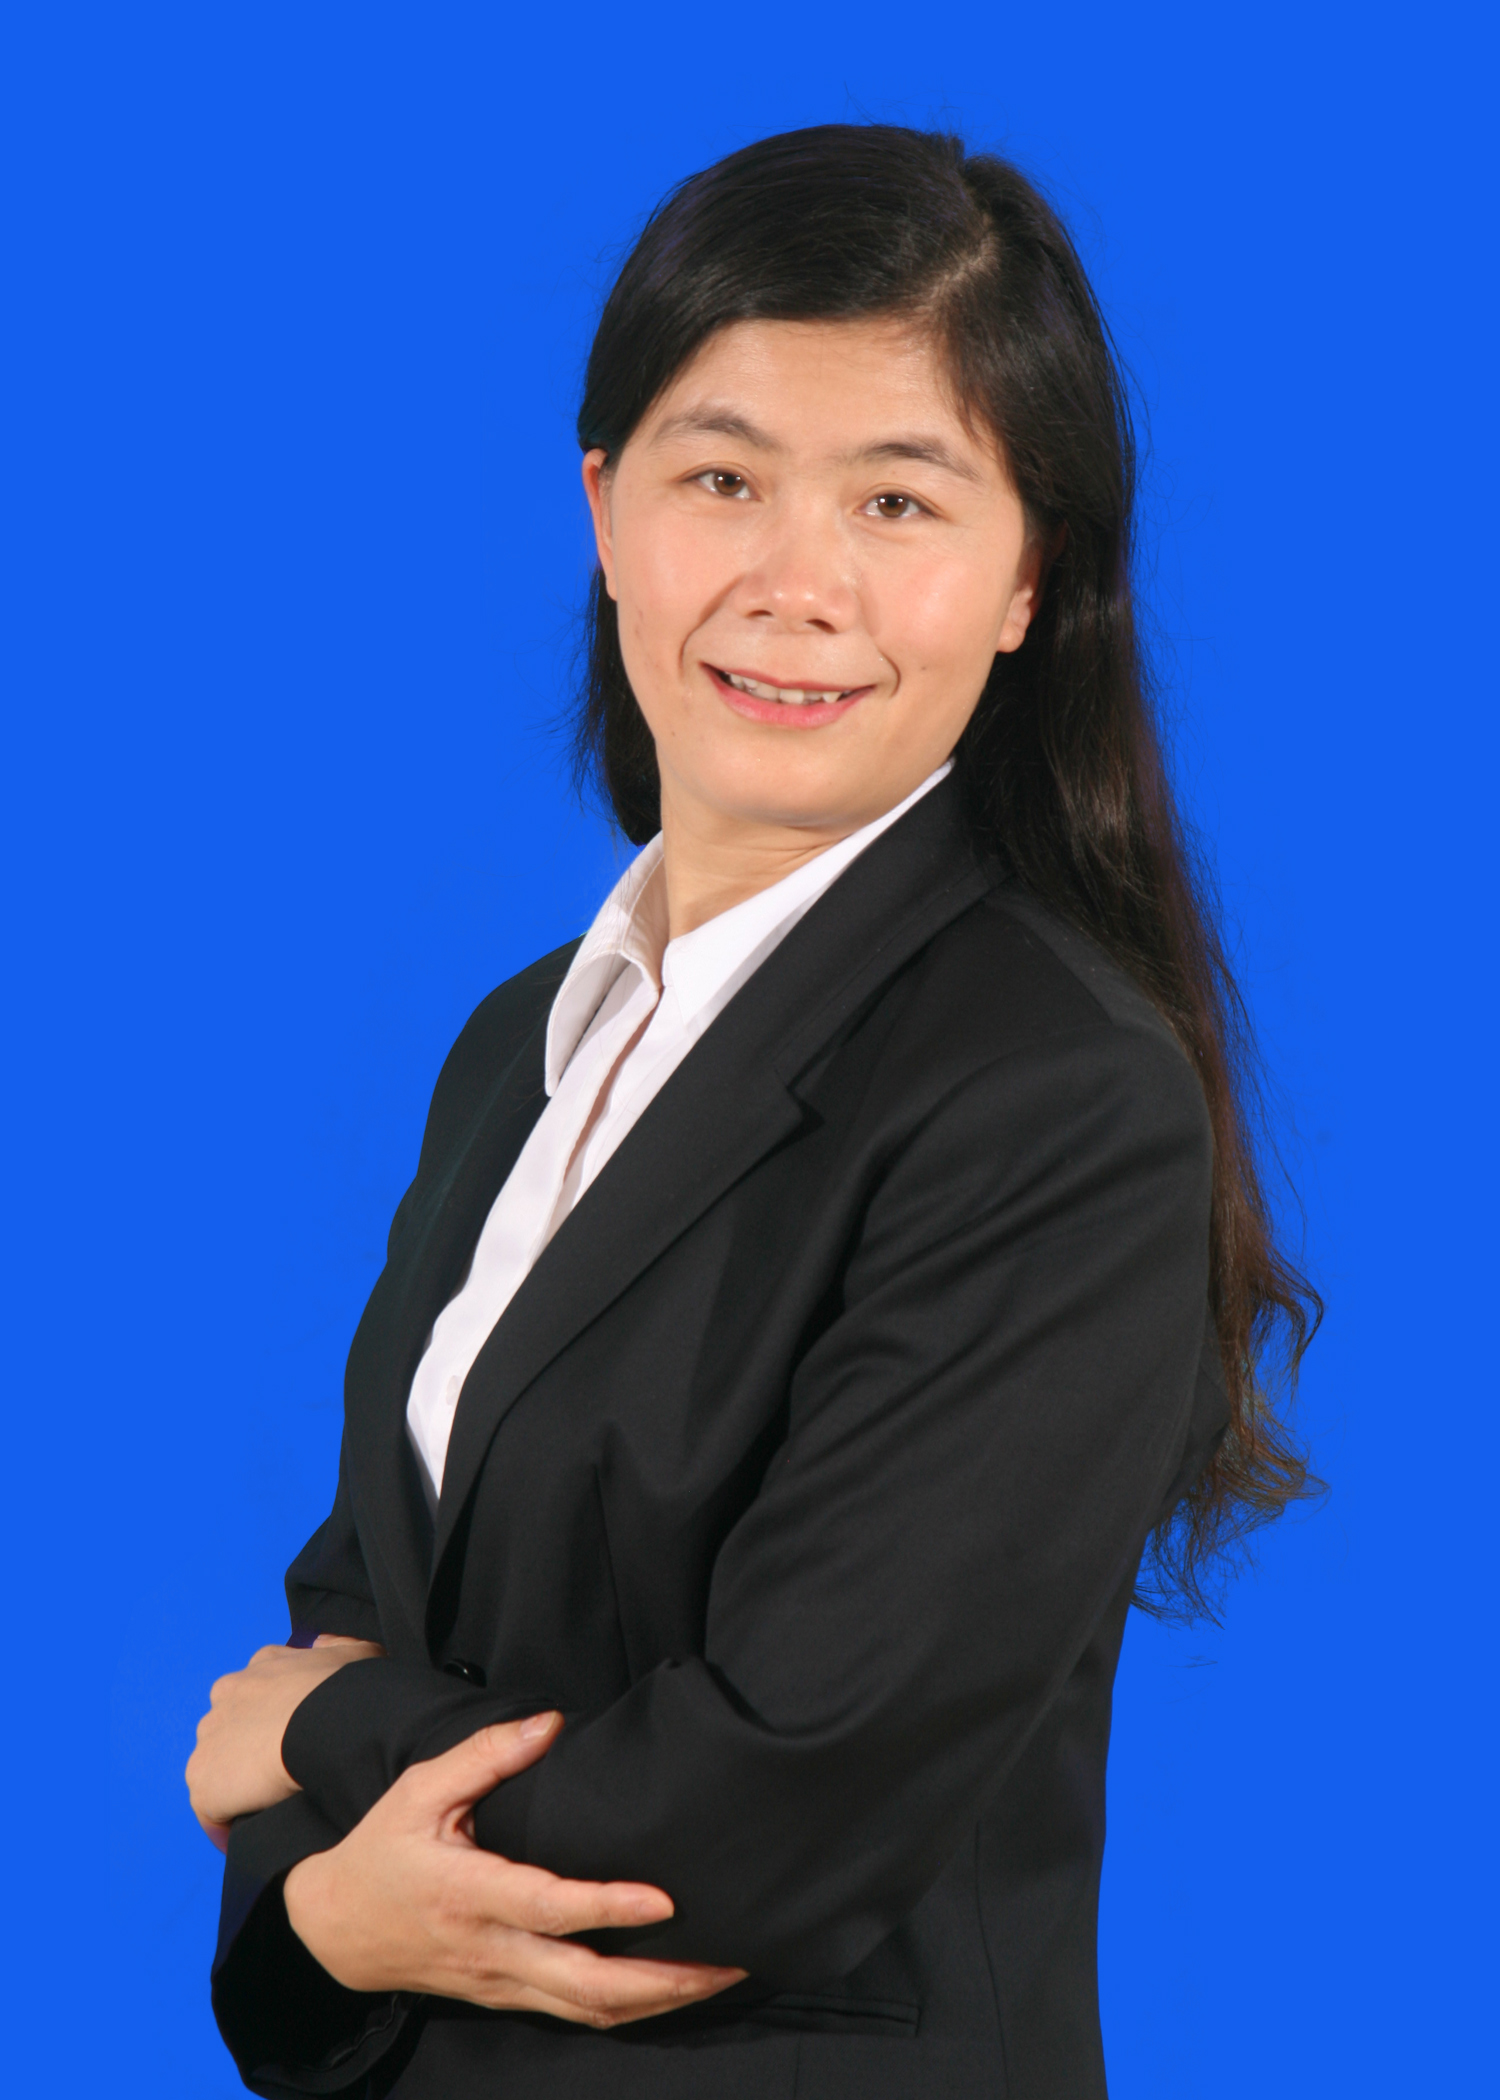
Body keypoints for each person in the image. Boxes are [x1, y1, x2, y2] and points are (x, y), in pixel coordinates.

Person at [186, 123, 1318, 2099]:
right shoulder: (523, 1043)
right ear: (605, 510)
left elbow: (764, 1803)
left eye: (899, 500)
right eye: (721, 479)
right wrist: (315, 1929)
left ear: (1029, 577)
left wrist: (317, 1740)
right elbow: (363, 1592)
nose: (796, 587)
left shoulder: (1056, 1095)